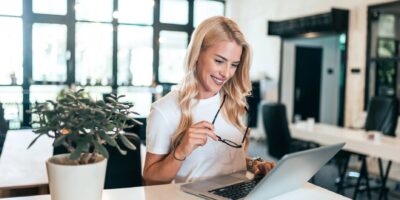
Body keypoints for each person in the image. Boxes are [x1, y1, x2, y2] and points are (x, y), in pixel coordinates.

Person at [143, 16, 274, 185]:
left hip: (238, 192)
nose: (226, 73)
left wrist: (253, 164)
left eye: (234, 64)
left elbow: (225, 160)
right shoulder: (164, 110)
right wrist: (181, 150)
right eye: (219, 61)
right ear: (197, 54)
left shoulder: (232, 102)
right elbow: (150, 177)